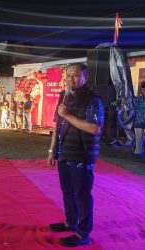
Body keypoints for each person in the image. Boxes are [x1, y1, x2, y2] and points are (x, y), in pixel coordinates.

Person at [47, 63, 104, 247]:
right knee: (67, 192)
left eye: (76, 75)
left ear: (85, 77)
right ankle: (70, 222)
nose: (71, 78)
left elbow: (95, 128)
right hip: (64, 152)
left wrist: (69, 116)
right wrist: (52, 150)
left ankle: (83, 234)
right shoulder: (64, 97)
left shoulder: (92, 99)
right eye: (68, 75)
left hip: (82, 154)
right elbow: (57, 126)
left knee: (82, 195)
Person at [133, 81, 145, 156]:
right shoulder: (137, 99)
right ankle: (137, 153)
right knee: (138, 140)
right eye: (143, 89)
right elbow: (133, 109)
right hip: (138, 122)